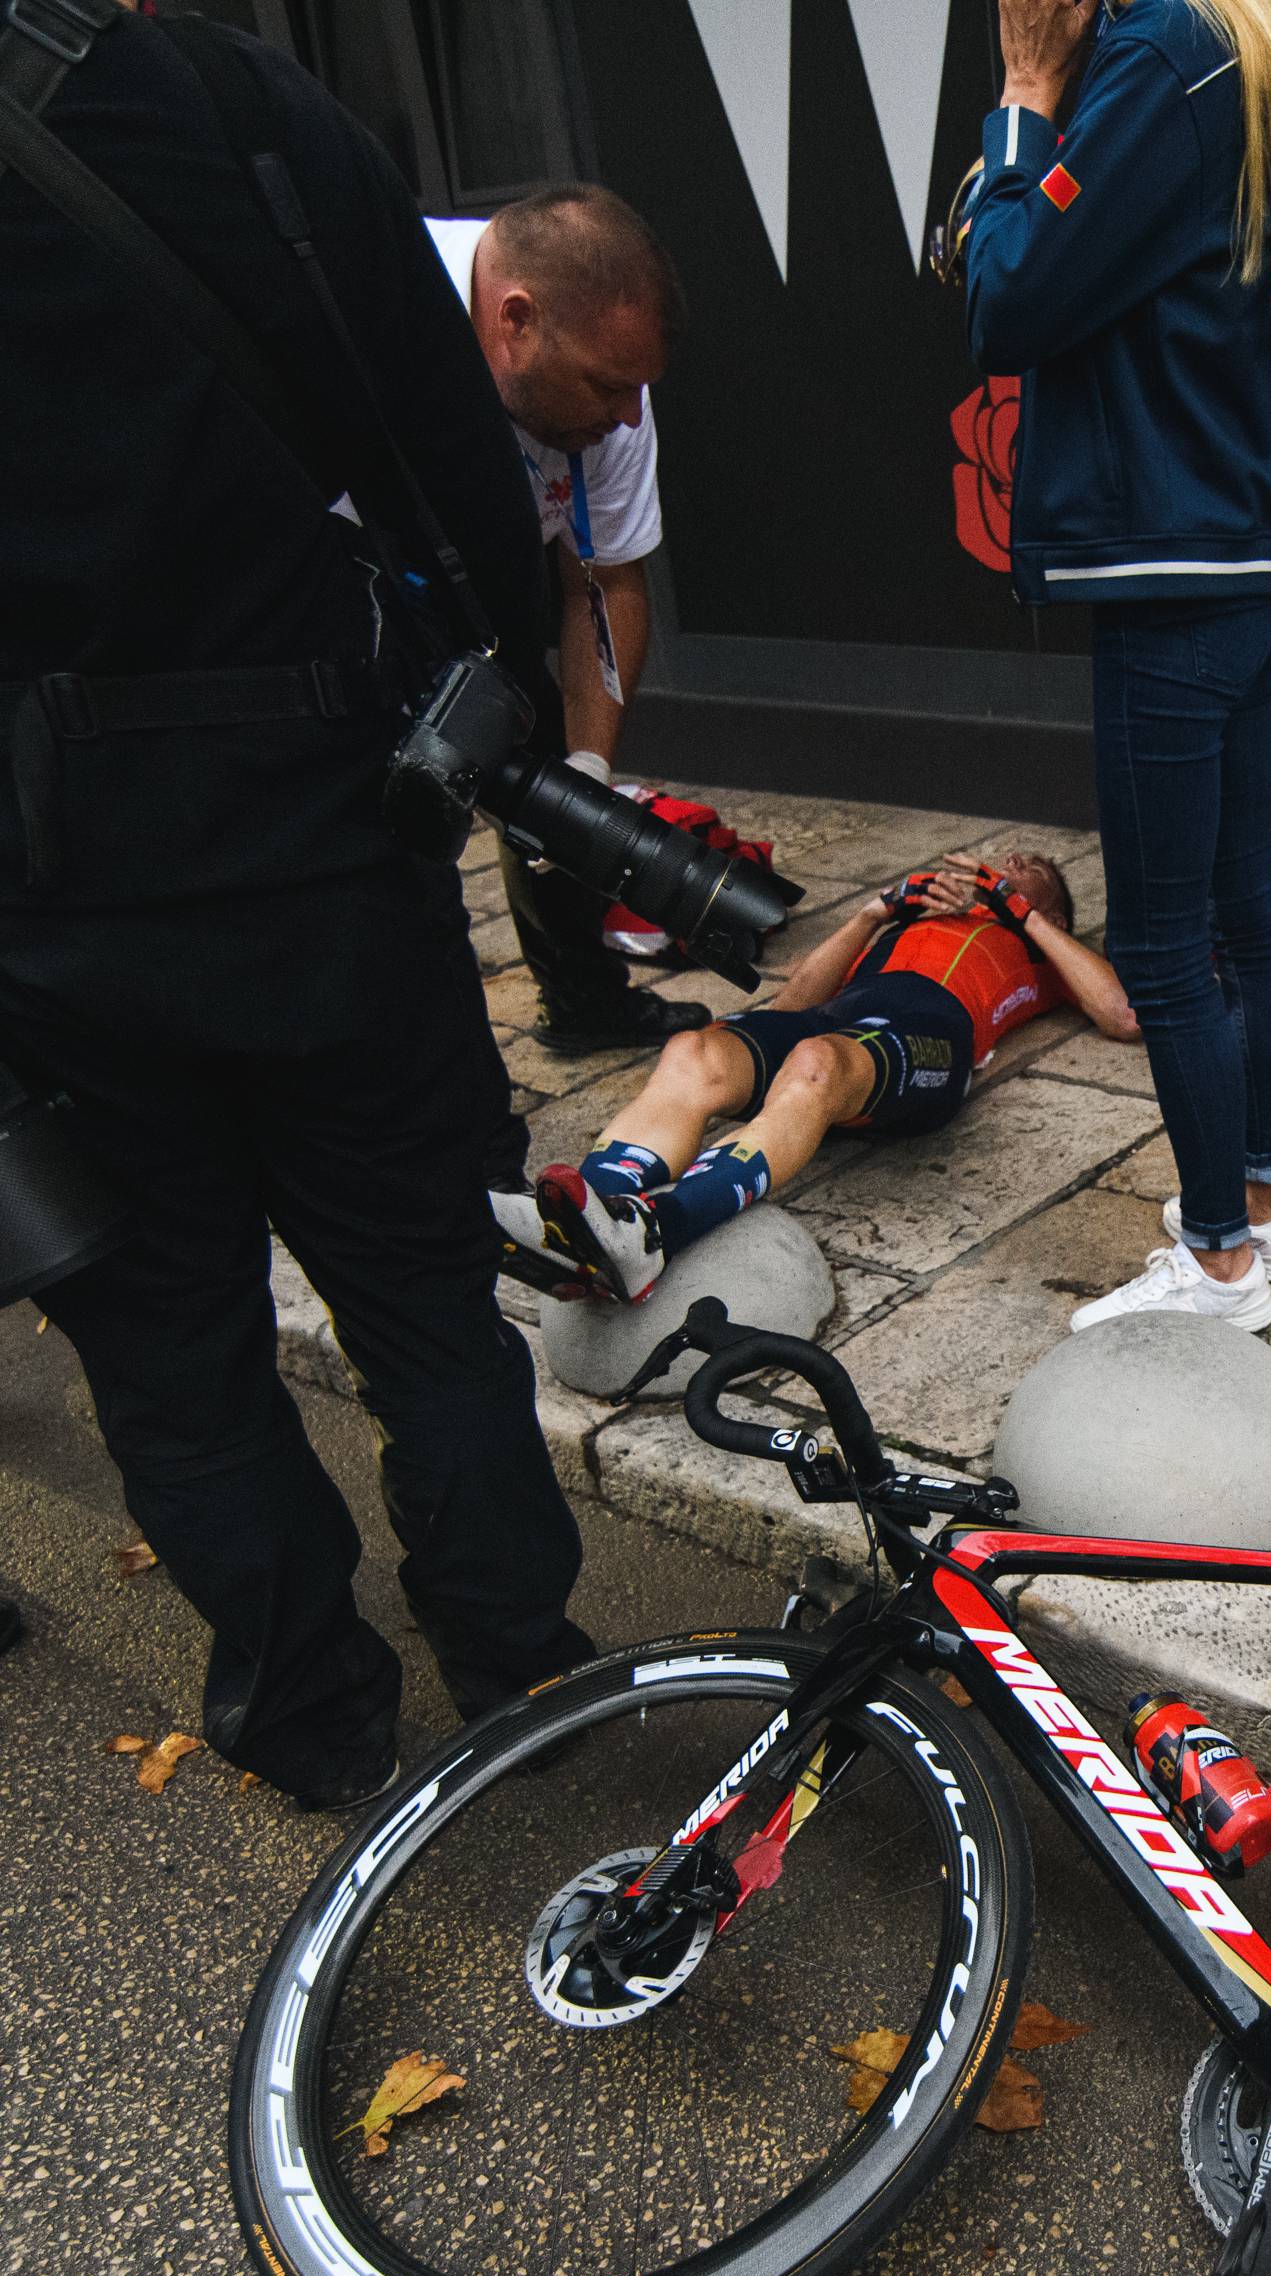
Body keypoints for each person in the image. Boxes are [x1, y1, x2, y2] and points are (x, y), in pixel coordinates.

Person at [0, 0, 595, 1807]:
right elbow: (446, 443)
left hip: (51, 893)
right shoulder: (218, 98)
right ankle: (517, 1659)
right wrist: (511, 709)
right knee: (426, 1300)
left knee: (172, 1352)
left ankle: (309, 1703)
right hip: (332, 818)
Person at [964, 0, 1271, 1335]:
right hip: (1250, 558)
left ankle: (1216, 1266)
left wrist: (1026, 93)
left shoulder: (1157, 57)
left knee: (1159, 934)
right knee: (1238, 904)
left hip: (1174, 566)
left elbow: (1007, 289)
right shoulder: (1261, 44)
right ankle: (1261, 1207)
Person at [493, 857, 1138, 1300]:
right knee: (695, 1051)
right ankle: (585, 1220)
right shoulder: (911, 925)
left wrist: (1028, 917)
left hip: (930, 1039)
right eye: (1008, 861)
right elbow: (791, 1008)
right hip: (837, 1020)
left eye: (1031, 869)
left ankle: (655, 1230)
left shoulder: (1037, 954)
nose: (1006, 865)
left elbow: (1120, 1014)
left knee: (817, 1063)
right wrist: (874, 914)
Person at [425, 190, 712, 1055]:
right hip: (337, 584)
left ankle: (583, 1000)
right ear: (515, 321)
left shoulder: (607, 378)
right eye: (608, 387)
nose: (628, 416)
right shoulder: (393, 303)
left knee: (554, 787)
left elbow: (610, 579)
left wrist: (586, 775)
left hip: (495, 581)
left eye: (639, 390)